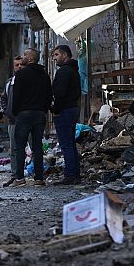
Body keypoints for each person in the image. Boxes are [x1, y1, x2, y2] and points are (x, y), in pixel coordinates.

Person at [10, 48, 52, 187]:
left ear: (30, 58)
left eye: (25, 55)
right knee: (37, 146)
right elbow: (48, 95)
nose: (22, 57)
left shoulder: (21, 74)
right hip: (39, 114)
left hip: (24, 114)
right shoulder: (44, 75)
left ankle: (20, 177)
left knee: (20, 146)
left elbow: (16, 95)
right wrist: (44, 110)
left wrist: (15, 112)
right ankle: (39, 178)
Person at [51, 45, 81, 185]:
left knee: (66, 144)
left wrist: (55, 109)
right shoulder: (74, 70)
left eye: (56, 54)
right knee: (70, 143)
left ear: (65, 55)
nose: (55, 58)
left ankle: (70, 175)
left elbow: (60, 93)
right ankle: (75, 174)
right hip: (72, 108)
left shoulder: (64, 71)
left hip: (65, 110)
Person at [1, 56, 24, 187]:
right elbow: (3, 97)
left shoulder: (28, 81)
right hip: (13, 121)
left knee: (33, 148)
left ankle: (36, 174)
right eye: (17, 65)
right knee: (14, 148)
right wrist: (7, 110)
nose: (19, 67)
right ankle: (15, 175)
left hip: (27, 119)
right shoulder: (10, 82)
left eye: (21, 64)